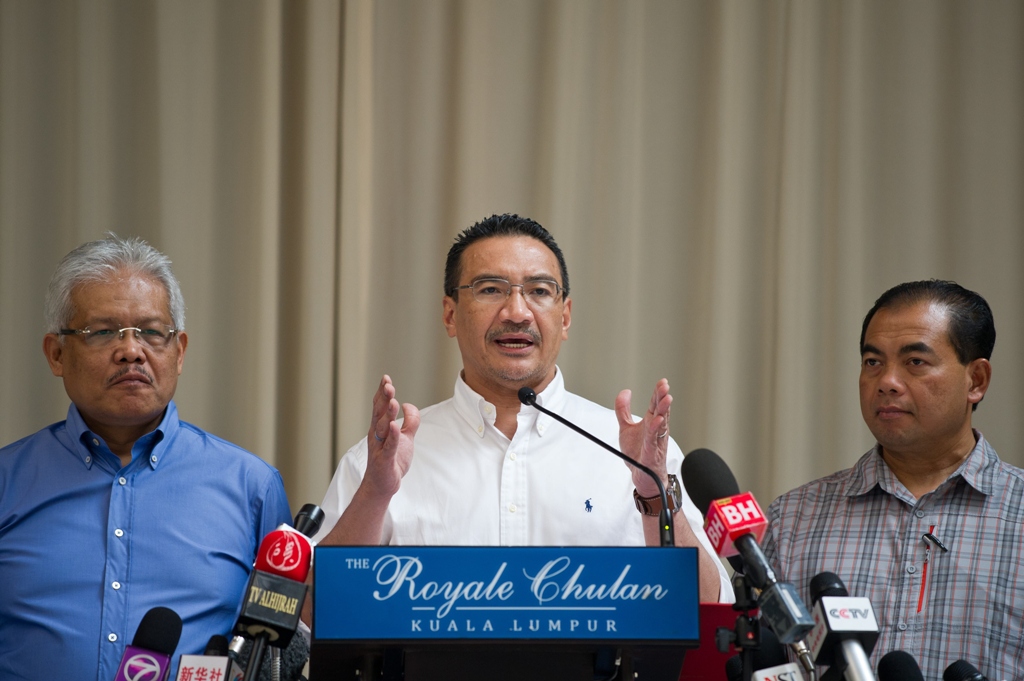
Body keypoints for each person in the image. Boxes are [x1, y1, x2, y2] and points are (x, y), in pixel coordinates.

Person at [314, 213, 731, 604]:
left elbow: (710, 608)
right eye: (491, 289)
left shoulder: (636, 452)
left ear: (564, 317)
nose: (516, 312)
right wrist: (375, 494)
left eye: (539, 291)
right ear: (450, 314)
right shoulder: (384, 462)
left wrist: (653, 495)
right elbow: (313, 618)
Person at [0, 235, 293, 681]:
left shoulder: (251, 487)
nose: (131, 351)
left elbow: (278, 655)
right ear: (56, 354)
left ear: (180, 353)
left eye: (152, 333)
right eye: (102, 332)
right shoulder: (7, 481)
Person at [762, 280, 1023, 681]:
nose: (887, 381)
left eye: (915, 362)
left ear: (976, 381)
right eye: (873, 362)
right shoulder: (793, 519)